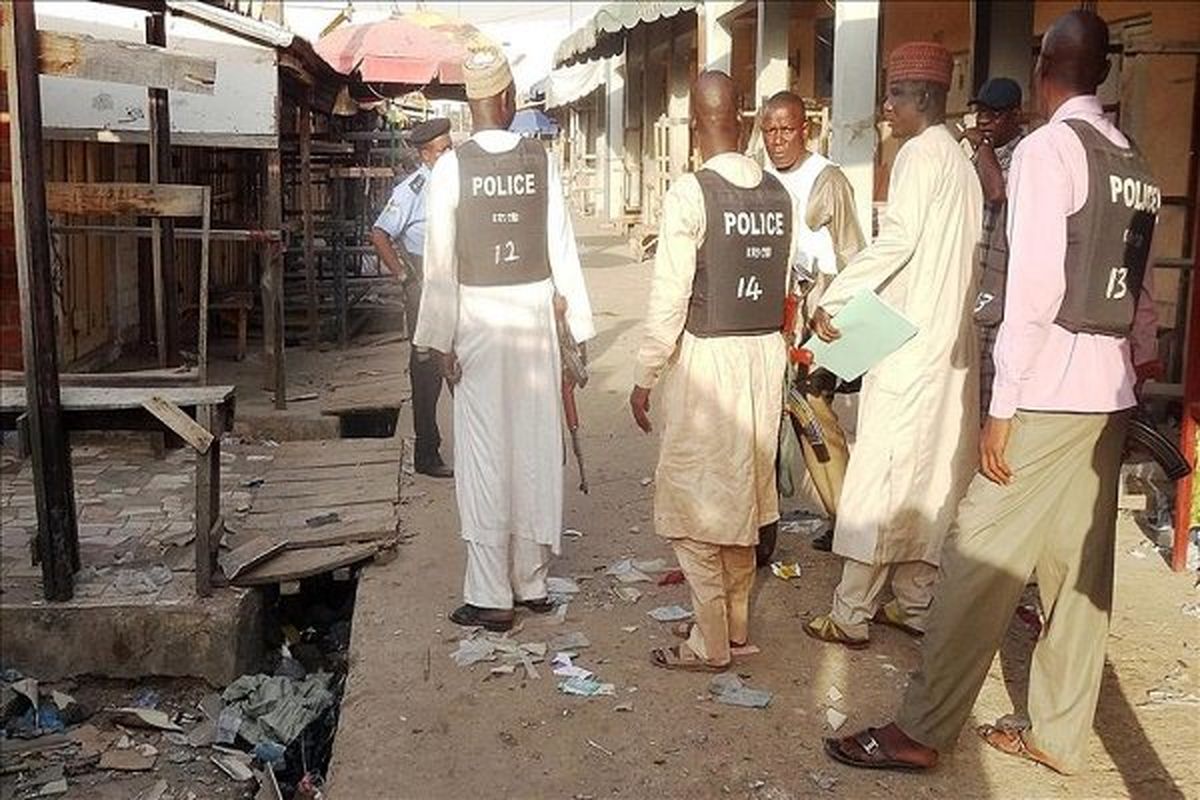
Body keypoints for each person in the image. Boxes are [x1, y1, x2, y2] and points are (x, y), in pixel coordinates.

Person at [826, 10, 1161, 775]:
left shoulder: (1049, 151)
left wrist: (1004, 409)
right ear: (1103, 72)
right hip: (1107, 393)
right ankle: (1058, 732)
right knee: (1079, 575)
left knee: (976, 561)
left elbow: (1035, 286)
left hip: (1049, 390)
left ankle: (921, 728)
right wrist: (1135, 364)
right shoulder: (1129, 157)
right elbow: (1138, 285)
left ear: (1045, 66)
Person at [804, 41, 982, 648]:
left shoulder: (917, 156)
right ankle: (912, 603)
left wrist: (835, 298)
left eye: (896, 95)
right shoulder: (960, 160)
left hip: (909, 345)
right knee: (929, 478)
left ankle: (851, 614)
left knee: (881, 474)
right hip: (949, 347)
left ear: (925, 99)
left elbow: (897, 242)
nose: (886, 107)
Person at [414, 42, 595, 633]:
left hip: (478, 327)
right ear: (510, 99)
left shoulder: (450, 168)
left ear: (472, 106)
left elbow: (439, 265)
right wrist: (579, 332)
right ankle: (533, 583)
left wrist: (441, 341)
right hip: (536, 322)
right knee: (537, 449)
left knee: (486, 457)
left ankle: (492, 595)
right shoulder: (541, 160)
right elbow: (562, 249)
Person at [630, 71, 794, 671]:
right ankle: (737, 626)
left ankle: (709, 643)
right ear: (745, 118)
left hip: (709, 365)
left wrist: (646, 375)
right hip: (762, 359)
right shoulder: (778, 195)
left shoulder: (690, 194)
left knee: (697, 507)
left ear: (697, 125)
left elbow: (670, 298)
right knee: (744, 500)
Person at [760, 91, 865, 556]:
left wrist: (840, 310)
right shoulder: (758, 178)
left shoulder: (828, 181)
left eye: (786, 130)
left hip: (817, 316)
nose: (777, 140)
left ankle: (849, 518)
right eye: (769, 130)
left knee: (815, 417)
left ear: (805, 129)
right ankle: (833, 515)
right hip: (771, 317)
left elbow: (852, 255)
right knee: (784, 421)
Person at [370, 118, 455, 478]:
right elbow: (379, 234)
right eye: (444, 149)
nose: (451, 153)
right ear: (425, 154)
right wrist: (405, 277)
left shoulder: (455, 180)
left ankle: (478, 449)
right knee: (427, 373)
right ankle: (426, 454)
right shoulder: (413, 189)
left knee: (462, 365)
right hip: (424, 282)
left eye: (452, 146)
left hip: (454, 280)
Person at [959, 77, 1025, 416]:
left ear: (1016, 115)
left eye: (994, 114)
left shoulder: (1024, 154)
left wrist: (982, 145)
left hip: (1002, 288)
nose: (984, 120)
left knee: (991, 385)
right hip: (973, 279)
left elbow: (998, 193)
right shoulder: (981, 154)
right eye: (980, 112)